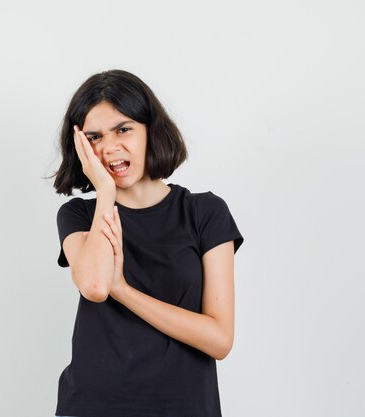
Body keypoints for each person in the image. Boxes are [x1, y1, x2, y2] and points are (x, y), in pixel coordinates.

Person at [50, 69, 244, 417]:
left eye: (123, 129)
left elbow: (219, 339)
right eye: (94, 137)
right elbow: (95, 285)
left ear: (150, 131)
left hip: (184, 408)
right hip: (93, 407)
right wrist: (106, 192)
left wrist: (123, 289)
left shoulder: (204, 213)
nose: (109, 147)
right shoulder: (79, 216)